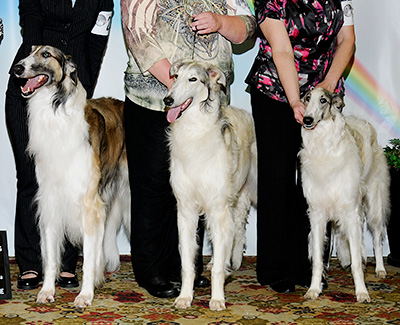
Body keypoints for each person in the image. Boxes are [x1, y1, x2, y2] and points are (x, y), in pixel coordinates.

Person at [121, 0, 256, 298]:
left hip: (206, 111)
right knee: (154, 188)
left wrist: (220, 22)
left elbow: (248, 27)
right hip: (155, 102)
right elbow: (138, 37)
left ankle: (185, 271)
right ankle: (152, 271)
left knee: (198, 191)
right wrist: (182, 88)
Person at [245, 0, 355, 293]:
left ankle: (310, 266)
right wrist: (296, 100)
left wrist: (326, 88)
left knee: (320, 179)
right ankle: (276, 266)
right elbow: (281, 50)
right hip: (277, 92)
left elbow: (347, 40)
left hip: (323, 96)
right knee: (278, 178)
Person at [5, 0, 114, 290]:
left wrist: (83, 85)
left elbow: (96, 42)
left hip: (72, 94)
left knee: (75, 185)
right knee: (31, 179)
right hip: (30, 89)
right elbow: (31, 26)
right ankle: (30, 264)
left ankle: (67, 265)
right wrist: (36, 71)